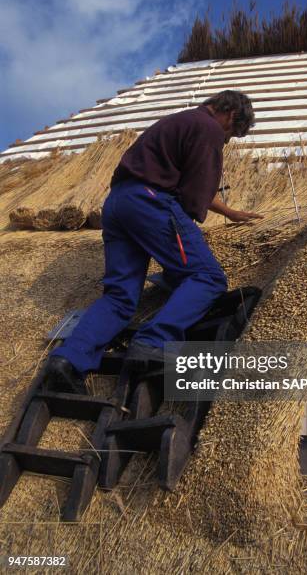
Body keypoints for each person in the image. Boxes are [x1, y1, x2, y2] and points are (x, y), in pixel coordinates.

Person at [45, 90, 262, 393]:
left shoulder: (179, 121)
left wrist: (228, 211)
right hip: (149, 202)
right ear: (231, 115)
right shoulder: (209, 127)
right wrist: (182, 251)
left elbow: (180, 179)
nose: (225, 140)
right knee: (208, 277)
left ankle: (67, 360)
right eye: (230, 134)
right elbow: (192, 195)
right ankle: (152, 342)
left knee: (120, 298)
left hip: (119, 203)